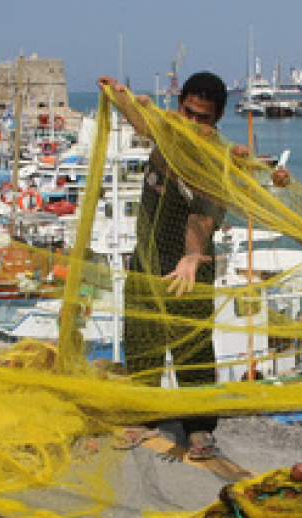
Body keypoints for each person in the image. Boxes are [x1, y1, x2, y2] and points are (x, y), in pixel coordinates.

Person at [99, 72, 228, 460]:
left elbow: (203, 213)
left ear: (217, 119)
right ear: (179, 107)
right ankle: (142, 414)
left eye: (203, 118)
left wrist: (191, 256)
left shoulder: (212, 159)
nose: (193, 123)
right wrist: (119, 96)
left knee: (193, 345)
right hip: (146, 259)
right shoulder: (167, 132)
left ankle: (200, 428)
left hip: (190, 265)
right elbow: (143, 119)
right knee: (141, 338)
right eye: (188, 112)